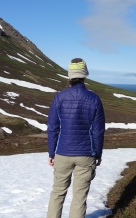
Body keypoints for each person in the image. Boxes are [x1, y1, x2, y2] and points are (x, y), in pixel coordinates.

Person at [46, 58, 105, 218]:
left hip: (63, 153)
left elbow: (53, 128)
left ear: (70, 75)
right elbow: (98, 131)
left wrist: (51, 153)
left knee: (57, 193)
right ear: (85, 74)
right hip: (86, 154)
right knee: (79, 198)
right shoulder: (94, 99)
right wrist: (97, 154)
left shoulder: (59, 97)